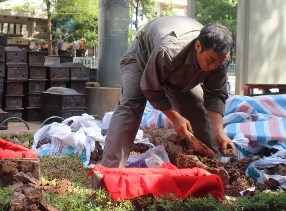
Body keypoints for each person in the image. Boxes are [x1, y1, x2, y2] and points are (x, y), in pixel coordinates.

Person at [100, 16, 236, 168]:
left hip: (177, 72)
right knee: (132, 104)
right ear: (198, 46)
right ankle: (110, 170)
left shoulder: (220, 59)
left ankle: (213, 168)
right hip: (142, 58)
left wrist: (219, 132)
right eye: (211, 60)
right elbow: (150, 87)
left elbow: (215, 94)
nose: (214, 66)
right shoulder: (169, 50)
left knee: (197, 106)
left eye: (219, 62)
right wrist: (175, 117)